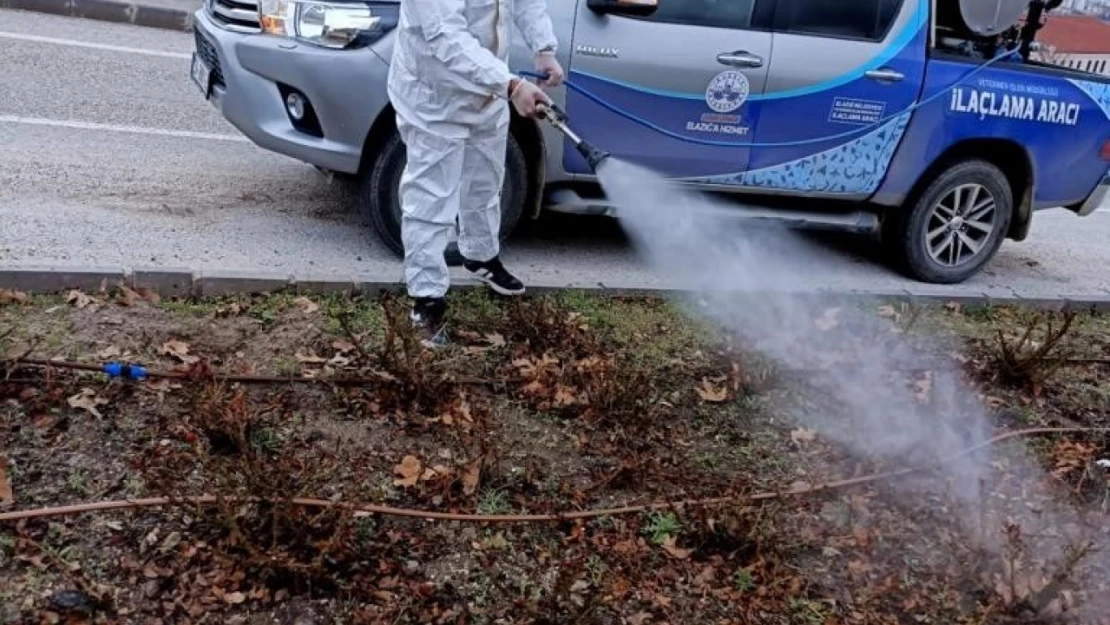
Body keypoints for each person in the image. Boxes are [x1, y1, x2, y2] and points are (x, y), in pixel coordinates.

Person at [387, 0, 564, 346]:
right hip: (434, 96)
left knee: (485, 182)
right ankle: (426, 300)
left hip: (488, 93)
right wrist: (511, 85)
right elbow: (445, 37)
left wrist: (543, 47)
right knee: (431, 199)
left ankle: (481, 256)